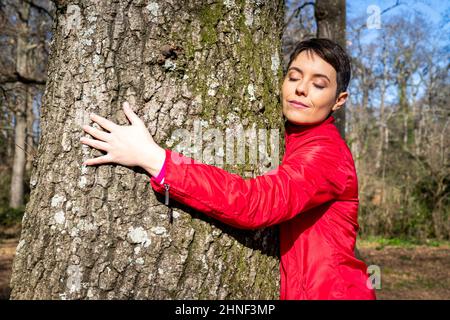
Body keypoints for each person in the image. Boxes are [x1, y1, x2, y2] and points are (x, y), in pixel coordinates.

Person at [80, 38, 376, 300]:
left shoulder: (327, 154)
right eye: (294, 77)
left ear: (339, 101)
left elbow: (255, 203)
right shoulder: (291, 137)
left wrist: (154, 159)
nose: (300, 88)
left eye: (319, 84)